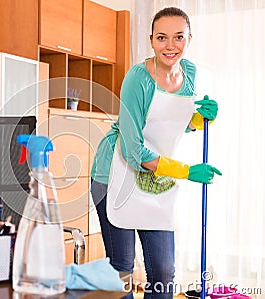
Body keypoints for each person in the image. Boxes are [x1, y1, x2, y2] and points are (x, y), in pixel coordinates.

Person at [90, 7, 222, 299]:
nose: (170, 45)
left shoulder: (189, 72)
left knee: (163, 271)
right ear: (151, 40)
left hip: (156, 175)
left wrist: (201, 120)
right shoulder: (138, 78)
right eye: (162, 38)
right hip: (116, 173)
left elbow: (172, 124)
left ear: (189, 39)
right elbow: (133, 150)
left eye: (178, 37)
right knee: (122, 268)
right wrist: (187, 172)